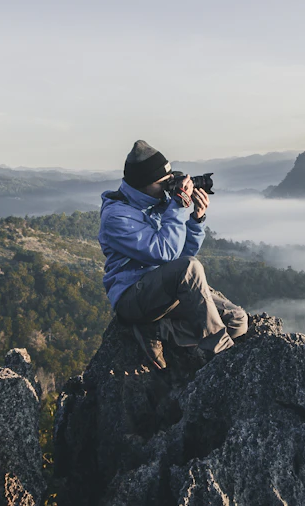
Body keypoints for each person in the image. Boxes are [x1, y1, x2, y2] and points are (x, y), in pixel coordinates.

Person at [98, 140, 248, 369]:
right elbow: (166, 254)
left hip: (164, 292)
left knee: (237, 321)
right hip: (133, 298)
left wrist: (196, 220)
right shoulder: (117, 217)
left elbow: (181, 256)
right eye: (163, 183)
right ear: (143, 184)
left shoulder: (159, 203)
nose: (169, 187)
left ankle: (158, 330)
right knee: (191, 267)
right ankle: (221, 356)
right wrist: (177, 206)